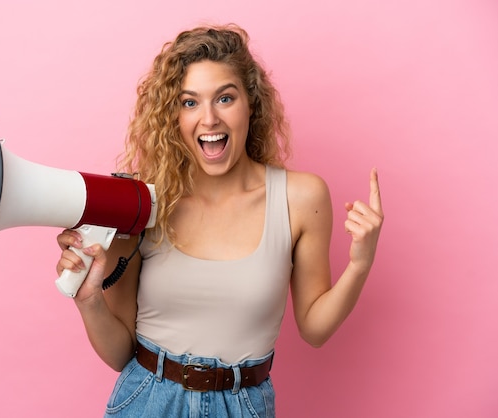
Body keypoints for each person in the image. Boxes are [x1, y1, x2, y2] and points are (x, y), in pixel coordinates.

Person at [55, 23, 383, 417]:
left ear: (251, 104)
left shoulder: (301, 198)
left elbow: (314, 329)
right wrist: (89, 299)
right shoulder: (143, 202)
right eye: (189, 102)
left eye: (224, 98)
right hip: (146, 400)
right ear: (173, 116)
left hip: (244, 404)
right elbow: (119, 353)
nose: (208, 119)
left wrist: (360, 264)